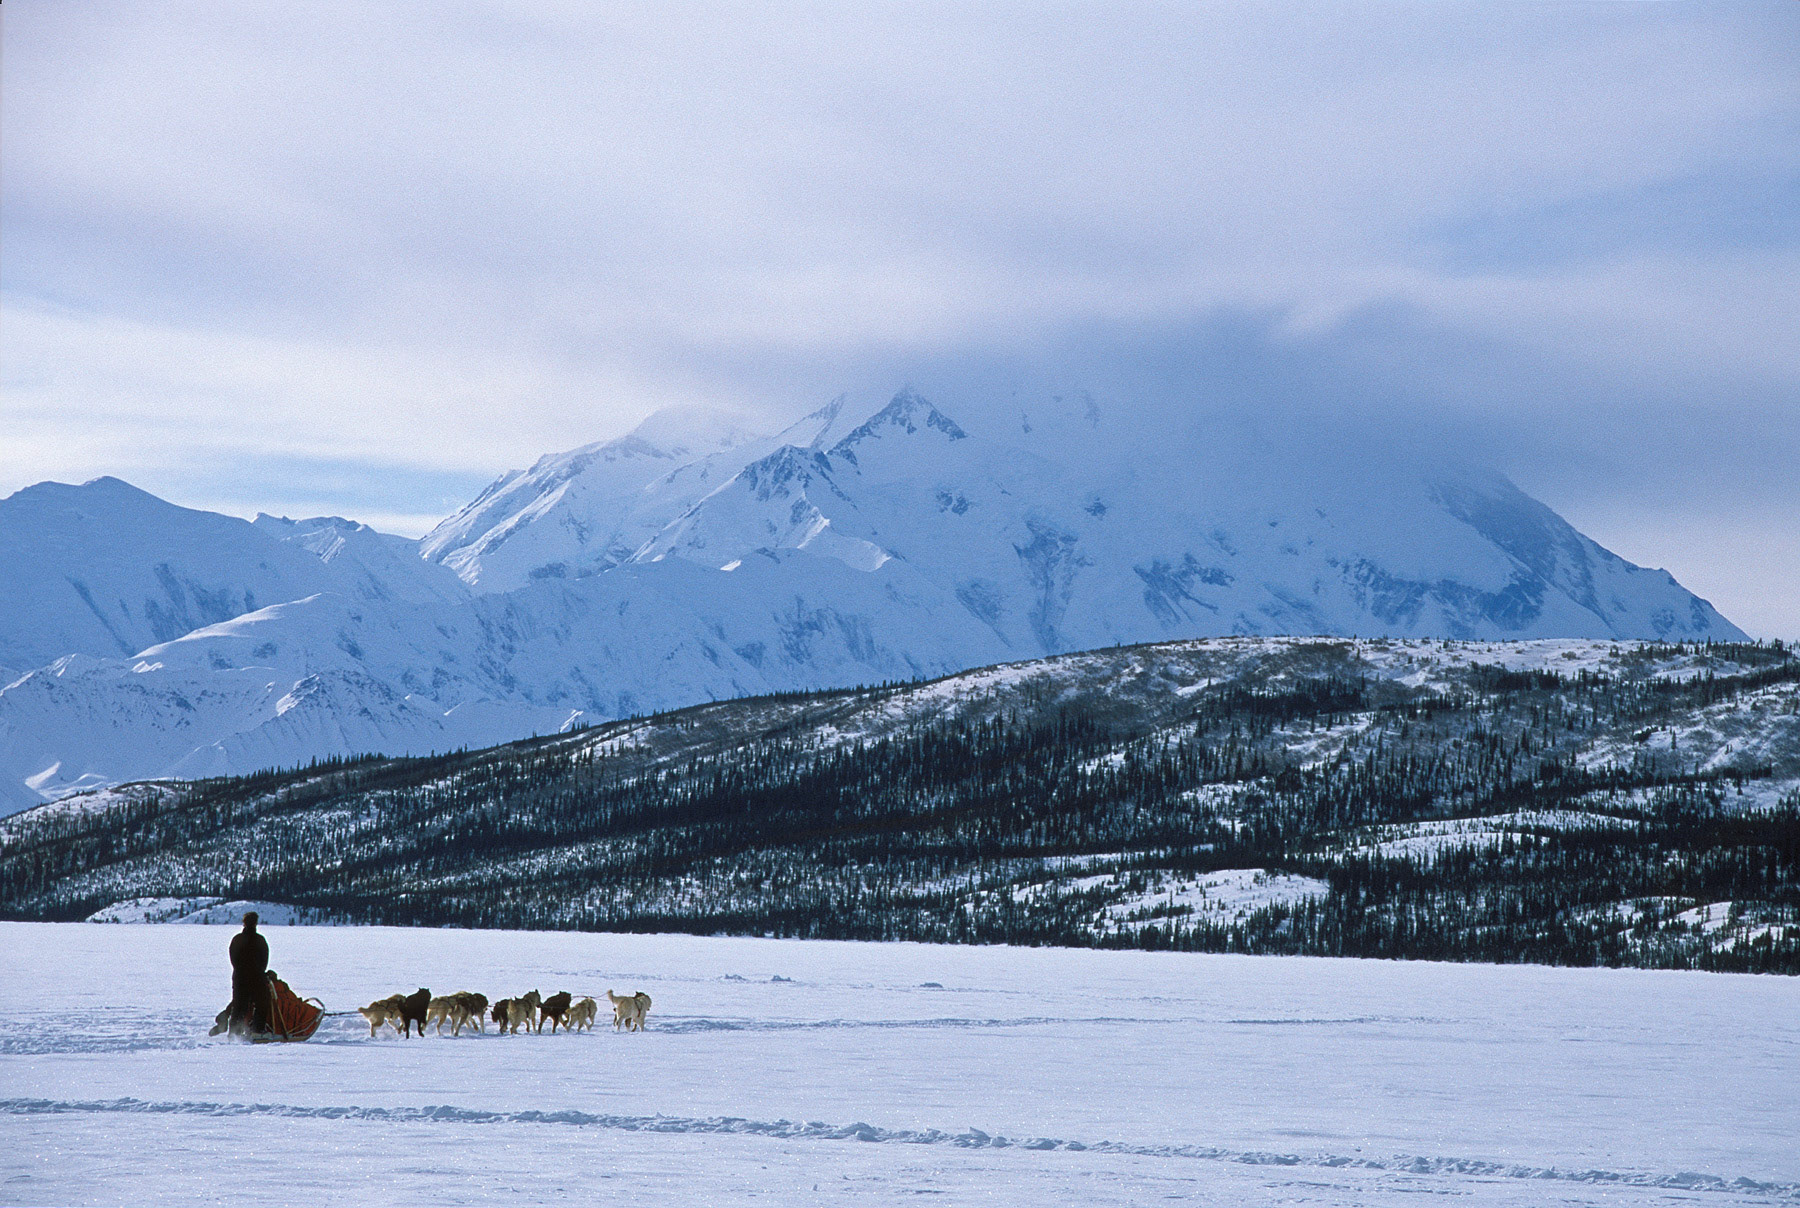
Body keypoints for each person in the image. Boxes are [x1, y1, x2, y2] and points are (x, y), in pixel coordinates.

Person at [227, 911, 273, 1036]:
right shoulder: (260, 940)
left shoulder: (237, 939)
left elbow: (233, 959)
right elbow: (265, 960)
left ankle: (234, 1033)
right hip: (256, 978)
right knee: (262, 1003)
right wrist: (259, 972)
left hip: (240, 978)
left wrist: (241, 971)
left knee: (239, 1006)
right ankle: (257, 1031)